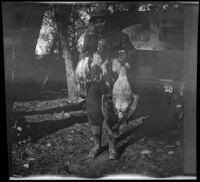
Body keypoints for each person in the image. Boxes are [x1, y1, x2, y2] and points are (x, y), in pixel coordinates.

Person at [78, 8, 137, 160]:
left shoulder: (120, 36)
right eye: (96, 21)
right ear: (92, 24)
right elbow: (83, 54)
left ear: (108, 21)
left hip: (112, 83)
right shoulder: (89, 37)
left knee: (111, 114)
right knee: (93, 113)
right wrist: (88, 59)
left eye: (102, 20)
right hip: (93, 82)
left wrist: (124, 62)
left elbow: (132, 53)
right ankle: (97, 145)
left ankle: (112, 145)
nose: (99, 24)